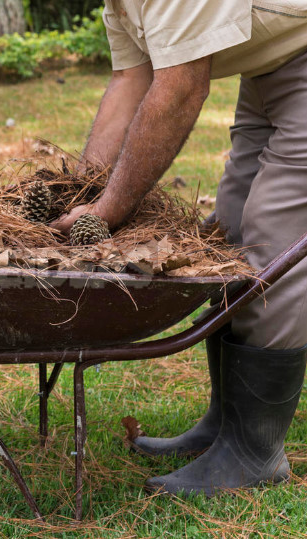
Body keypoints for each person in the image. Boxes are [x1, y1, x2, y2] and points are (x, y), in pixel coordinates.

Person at [51, 0, 307, 496]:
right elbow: (131, 81)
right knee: (231, 228)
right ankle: (224, 422)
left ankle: (255, 452)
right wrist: (82, 192)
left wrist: (107, 211)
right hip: (273, 63)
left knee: (272, 238)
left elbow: (180, 88)